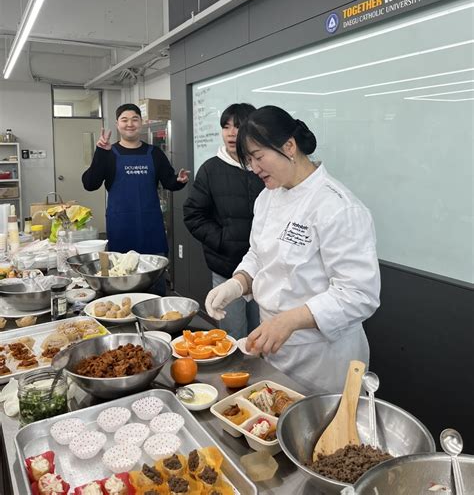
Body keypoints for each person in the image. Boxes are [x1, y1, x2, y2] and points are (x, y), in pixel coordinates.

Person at [205, 105, 380, 393]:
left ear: (289, 146)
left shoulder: (337, 206)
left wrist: (289, 320)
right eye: (248, 161)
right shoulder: (267, 198)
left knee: (322, 433)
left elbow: (359, 294)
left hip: (322, 358)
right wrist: (237, 284)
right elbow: (258, 254)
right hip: (274, 347)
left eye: (259, 157)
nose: (254, 169)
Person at [82, 103, 189, 294]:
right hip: (121, 229)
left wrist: (179, 181)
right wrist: (100, 152)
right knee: (122, 283)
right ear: (117, 124)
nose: (129, 124)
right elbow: (90, 184)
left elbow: (169, 182)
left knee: (154, 285)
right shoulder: (108, 153)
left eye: (134, 119)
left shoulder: (154, 153)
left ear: (141, 123)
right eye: (124, 120)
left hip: (151, 229)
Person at [183, 103, 264, 339]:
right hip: (227, 267)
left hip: (265, 269)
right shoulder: (211, 169)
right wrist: (223, 240)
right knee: (233, 332)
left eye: (238, 127)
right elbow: (193, 214)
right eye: (226, 126)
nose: (231, 133)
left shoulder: (265, 167)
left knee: (262, 334)